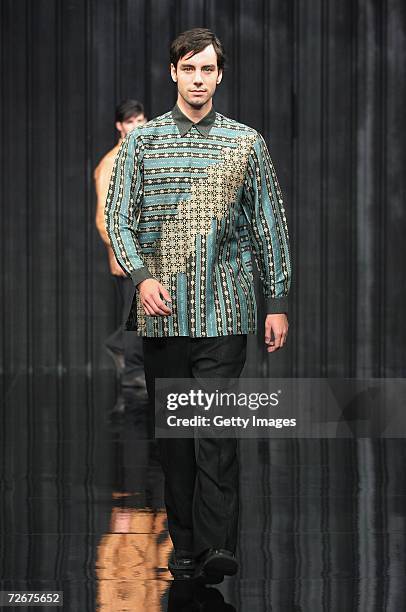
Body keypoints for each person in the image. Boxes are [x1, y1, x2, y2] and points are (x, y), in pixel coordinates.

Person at [105, 28, 292, 582]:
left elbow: (268, 225)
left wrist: (275, 299)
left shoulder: (245, 143)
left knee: (214, 432)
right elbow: (120, 218)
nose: (198, 79)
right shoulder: (143, 143)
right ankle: (185, 546)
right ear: (173, 73)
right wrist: (141, 278)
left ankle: (216, 548)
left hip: (226, 310)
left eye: (207, 70)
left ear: (220, 75)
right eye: (189, 69)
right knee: (176, 440)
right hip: (162, 312)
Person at [94, 100, 148, 406]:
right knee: (137, 317)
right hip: (128, 256)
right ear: (120, 126)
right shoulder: (112, 163)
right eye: (131, 122)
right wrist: (124, 251)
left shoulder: (142, 156)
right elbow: (104, 217)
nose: (137, 126)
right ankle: (131, 373)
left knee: (141, 314)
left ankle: (121, 350)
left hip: (147, 252)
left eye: (141, 120)